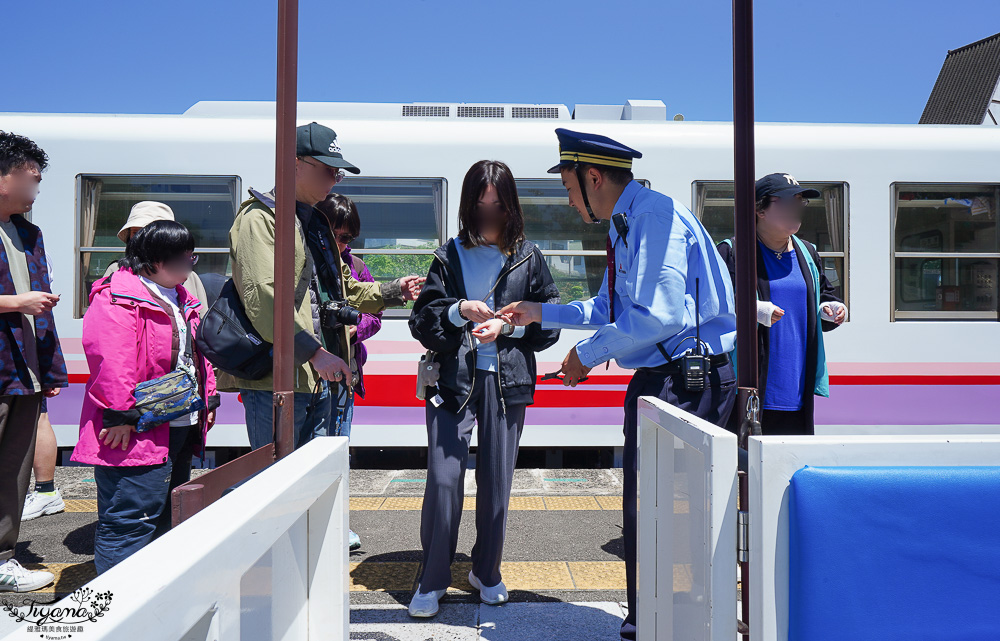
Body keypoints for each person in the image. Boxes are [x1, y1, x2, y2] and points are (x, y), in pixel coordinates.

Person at [500, 129, 737, 640]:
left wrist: (585, 355)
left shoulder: (653, 218)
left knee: (668, 510)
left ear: (593, 177)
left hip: (684, 381)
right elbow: (611, 306)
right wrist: (540, 311)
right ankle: (651, 616)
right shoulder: (628, 222)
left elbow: (656, 316)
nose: (568, 201)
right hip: (667, 378)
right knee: (650, 506)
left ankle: (675, 620)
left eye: (568, 187)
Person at [407, 160, 561, 618]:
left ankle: (486, 571)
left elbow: (550, 322)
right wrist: (458, 311)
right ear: (468, 207)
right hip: (452, 381)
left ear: (511, 207)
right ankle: (433, 578)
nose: (489, 215)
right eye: (480, 207)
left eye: (497, 207)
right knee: (443, 480)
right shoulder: (448, 255)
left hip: (507, 382)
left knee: (497, 482)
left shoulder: (529, 257)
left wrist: (508, 328)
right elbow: (422, 320)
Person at [216, 122, 423, 451]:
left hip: (316, 377)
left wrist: (393, 291)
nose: (334, 180)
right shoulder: (260, 219)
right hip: (277, 380)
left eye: (338, 174)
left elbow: (344, 289)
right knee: (279, 476)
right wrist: (315, 353)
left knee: (316, 476)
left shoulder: (314, 222)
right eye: (329, 170)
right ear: (295, 163)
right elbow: (264, 299)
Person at [70, 220, 219, 573]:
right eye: (182, 258)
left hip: (179, 421)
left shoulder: (181, 297)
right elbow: (111, 361)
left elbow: (197, 356)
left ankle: (154, 591)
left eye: (191, 256)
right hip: (136, 426)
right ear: (154, 260)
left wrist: (209, 400)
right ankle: (117, 600)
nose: (189, 265)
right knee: (129, 520)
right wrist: (121, 415)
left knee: (167, 513)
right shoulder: (116, 297)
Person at [716, 173, 846, 435]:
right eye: (787, 202)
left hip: (797, 384)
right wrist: (753, 310)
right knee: (747, 456)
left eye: (800, 202)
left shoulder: (808, 252)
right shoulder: (732, 251)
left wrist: (831, 310)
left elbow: (824, 295)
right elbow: (714, 307)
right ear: (759, 209)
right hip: (749, 385)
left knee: (791, 456)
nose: (796, 209)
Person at [0, 131, 68, 592]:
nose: (37, 187)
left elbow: (40, 306)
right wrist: (15, 303)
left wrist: (50, 367)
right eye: (32, 177)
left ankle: (3, 558)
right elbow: (27, 301)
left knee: (12, 472)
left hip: (22, 371)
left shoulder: (28, 233)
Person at [314, 193, 382, 551]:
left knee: (339, 450)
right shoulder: (307, 261)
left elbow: (375, 315)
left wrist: (357, 328)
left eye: (349, 238)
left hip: (346, 373)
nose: (343, 244)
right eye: (337, 236)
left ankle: (338, 525)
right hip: (312, 374)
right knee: (314, 452)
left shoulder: (356, 266)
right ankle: (317, 528)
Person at [104, 201, 209, 315]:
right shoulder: (116, 271)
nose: (143, 239)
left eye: (151, 234)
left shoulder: (190, 278)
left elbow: (202, 320)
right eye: (136, 232)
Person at [22, 253, 64, 522]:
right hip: (30, 342)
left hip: (20, 345)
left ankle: (46, 491)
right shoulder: (33, 250)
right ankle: (46, 491)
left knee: (38, 415)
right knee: (39, 416)